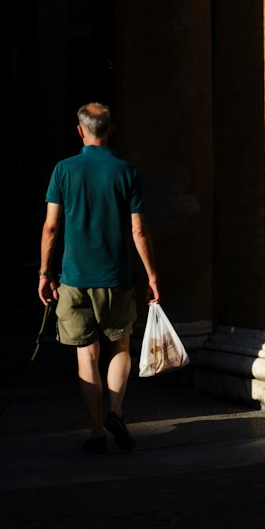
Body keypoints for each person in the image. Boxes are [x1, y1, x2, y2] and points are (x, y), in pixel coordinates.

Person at [38, 102, 159, 454]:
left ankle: (96, 433)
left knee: (86, 355)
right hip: (116, 277)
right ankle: (116, 412)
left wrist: (46, 273)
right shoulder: (126, 171)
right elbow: (138, 231)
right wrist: (152, 274)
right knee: (120, 346)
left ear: (80, 130)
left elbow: (50, 227)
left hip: (73, 279)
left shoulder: (63, 170)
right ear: (111, 129)